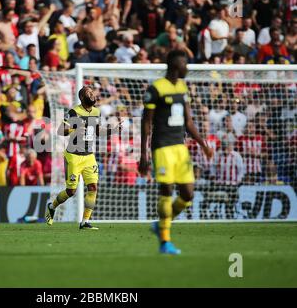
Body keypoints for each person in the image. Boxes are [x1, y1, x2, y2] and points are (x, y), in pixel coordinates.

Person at [139, 50, 213, 254]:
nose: (187, 68)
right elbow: (146, 122)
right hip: (162, 147)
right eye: (184, 64)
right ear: (175, 65)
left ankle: (162, 223)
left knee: (188, 194)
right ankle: (165, 241)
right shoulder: (155, 89)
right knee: (166, 191)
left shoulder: (182, 86)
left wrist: (203, 144)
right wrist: (143, 154)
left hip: (180, 147)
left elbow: (188, 121)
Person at [45, 86, 122, 229]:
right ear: (82, 97)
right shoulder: (74, 112)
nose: (92, 95)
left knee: (93, 187)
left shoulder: (97, 112)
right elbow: (60, 130)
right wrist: (75, 129)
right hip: (73, 156)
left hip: (89, 156)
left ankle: (85, 221)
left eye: (93, 92)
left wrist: (113, 130)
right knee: (71, 191)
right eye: (89, 93)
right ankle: (52, 206)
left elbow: (98, 131)